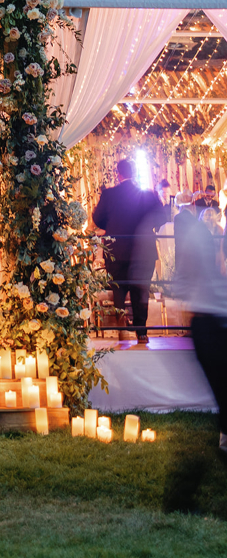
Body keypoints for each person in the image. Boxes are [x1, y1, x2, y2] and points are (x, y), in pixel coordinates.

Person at [92, 157, 165, 345]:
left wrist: (112, 225)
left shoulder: (109, 195)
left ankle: (121, 329)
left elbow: (97, 218)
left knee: (119, 288)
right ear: (134, 173)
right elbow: (162, 217)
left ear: (119, 174)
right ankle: (141, 332)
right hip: (143, 250)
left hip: (117, 248)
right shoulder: (147, 195)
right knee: (141, 290)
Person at [174, 201, 227, 461]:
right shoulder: (199, 235)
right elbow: (183, 279)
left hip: (208, 315)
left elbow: (181, 281)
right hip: (210, 315)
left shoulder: (198, 234)